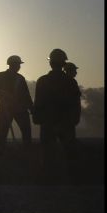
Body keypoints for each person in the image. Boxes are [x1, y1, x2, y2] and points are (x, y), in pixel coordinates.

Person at [33, 49, 81, 179]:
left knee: (47, 154)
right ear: (63, 63)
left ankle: (48, 180)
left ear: (51, 63)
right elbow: (76, 103)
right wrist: (75, 119)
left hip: (47, 122)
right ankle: (73, 180)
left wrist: (37, 118)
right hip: (66, 123)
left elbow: (38, 102)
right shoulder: (70, 81)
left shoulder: (42, 81)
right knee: (70, 152)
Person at [0, 55, 33, 147]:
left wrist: (31, 108)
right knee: (2, 133)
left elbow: (26, 95)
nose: (19, 67)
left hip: (19, 108)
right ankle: (1, 152)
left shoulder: (20, 78)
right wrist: (2, 92)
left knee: (26, 131)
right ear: (13, 65)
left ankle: (27, 151)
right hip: (7, 109)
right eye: (18, 64)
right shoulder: (1, 76)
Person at [63, 62, 82, 139]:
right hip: (68, 118)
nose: (76, 72)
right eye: (74, 70)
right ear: (70, 71)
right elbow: (75, 100)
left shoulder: (64, 81)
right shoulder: (71, 82)